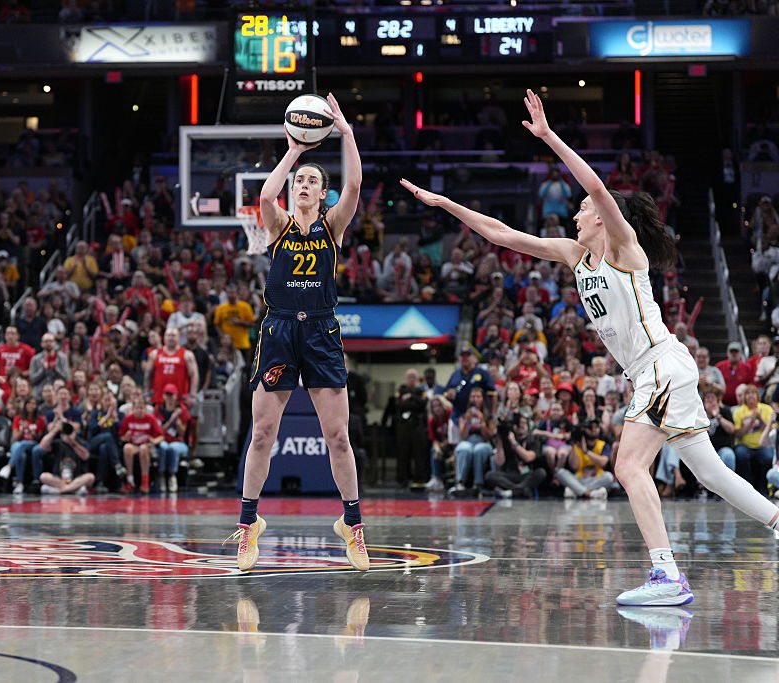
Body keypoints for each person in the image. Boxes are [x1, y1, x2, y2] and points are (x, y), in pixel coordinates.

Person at [402, 89, 779, 607]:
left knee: (627, 468)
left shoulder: (624, 247)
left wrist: (548, 135)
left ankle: (667, 576)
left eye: (582, 210)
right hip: (656, 372)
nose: (576, 216)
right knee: (710, 471)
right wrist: (446, 204)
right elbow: (503, 235)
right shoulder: (573, 254)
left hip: (660, 366)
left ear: (601, 217)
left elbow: (597, 186)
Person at [229, 93, 369, 573]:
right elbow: (265, 197)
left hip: (322, 334)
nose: (305, 184)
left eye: (312, 180)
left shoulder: (333, 226)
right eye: (300, 182)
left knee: (338, 437)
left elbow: (354, 183)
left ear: (323, 193)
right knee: (263, 432)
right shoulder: (278, 224)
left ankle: (352, 525)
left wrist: (346, 133)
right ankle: (249, 527)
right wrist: (294, 150)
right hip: (280, 331)